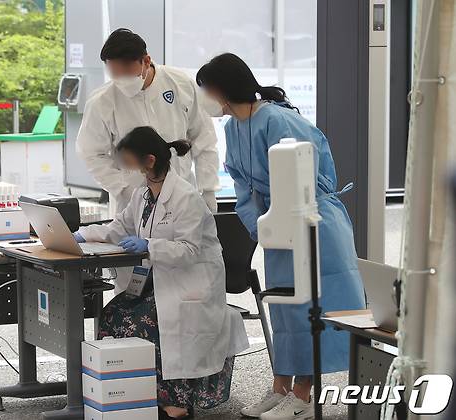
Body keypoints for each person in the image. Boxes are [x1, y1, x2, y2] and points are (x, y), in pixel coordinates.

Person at [196, 53, 365, 420]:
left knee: (311, 308)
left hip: (313, 222)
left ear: (223, 89)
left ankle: (303, 395)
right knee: (285, 309)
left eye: (206, 89)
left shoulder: (277, 119)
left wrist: (280, 219)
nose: (204, 98)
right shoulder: (231, 129)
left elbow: (308, 177)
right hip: (278, 226)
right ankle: (280, 388)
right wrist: (262, 226)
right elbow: (242, 190)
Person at [74, 127, 246, 420]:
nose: (126, 167)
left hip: (190, 285)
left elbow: (189, 250)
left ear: (149, 161)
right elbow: (118, 228)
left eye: (129, 161)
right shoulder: (143, 194)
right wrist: (81, 234)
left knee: (145, 321)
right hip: (158, 282)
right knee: (113, 313)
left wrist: (149, 245)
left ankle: (175, 401)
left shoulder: (186, 197)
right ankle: (136, 393)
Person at [77, 28, 220, 218]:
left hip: (182, 194)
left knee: (184, 244)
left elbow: (204, 140)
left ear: (146, 61)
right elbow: (91, 154)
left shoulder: (181, 84)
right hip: (132, 205)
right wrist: (124, 189)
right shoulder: (102, 102)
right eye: (115, 75)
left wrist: (208, 189)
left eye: (127, 73)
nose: (122, 81)